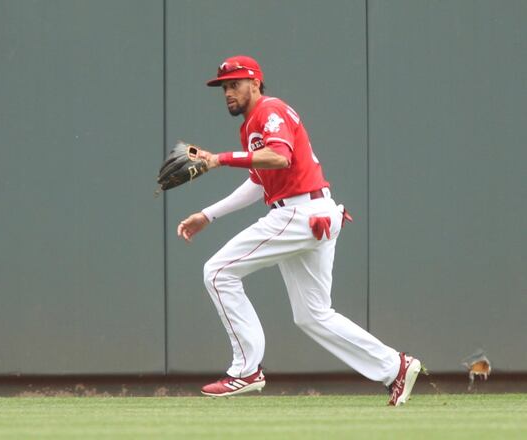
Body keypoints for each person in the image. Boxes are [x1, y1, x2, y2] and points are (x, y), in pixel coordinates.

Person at [177, 55, 422, 406]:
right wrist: (208, 214)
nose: (228, 92)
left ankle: (245, 370)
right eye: (224, 87)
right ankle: (395, 367)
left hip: (298, 213)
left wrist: (220, 159)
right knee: (313, 315)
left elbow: (280, 157)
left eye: (235, 84)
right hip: (313, 213)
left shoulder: (269, 110)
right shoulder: (250, 126)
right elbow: (259, 183)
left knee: (217, 272)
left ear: (256, 83)